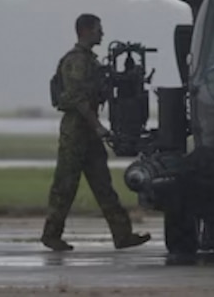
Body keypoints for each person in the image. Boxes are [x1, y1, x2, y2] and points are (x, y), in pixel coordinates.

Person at [41, 13, 151, 251]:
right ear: (86, 31)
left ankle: (122, 235)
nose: (102, 33)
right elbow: (78, 98)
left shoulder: (90, 61)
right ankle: (51, 235)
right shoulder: (77, 61)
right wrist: (98, 126)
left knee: (103, 184)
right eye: (98, 29)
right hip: (76, 130)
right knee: (65, 185)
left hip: (87, 131)